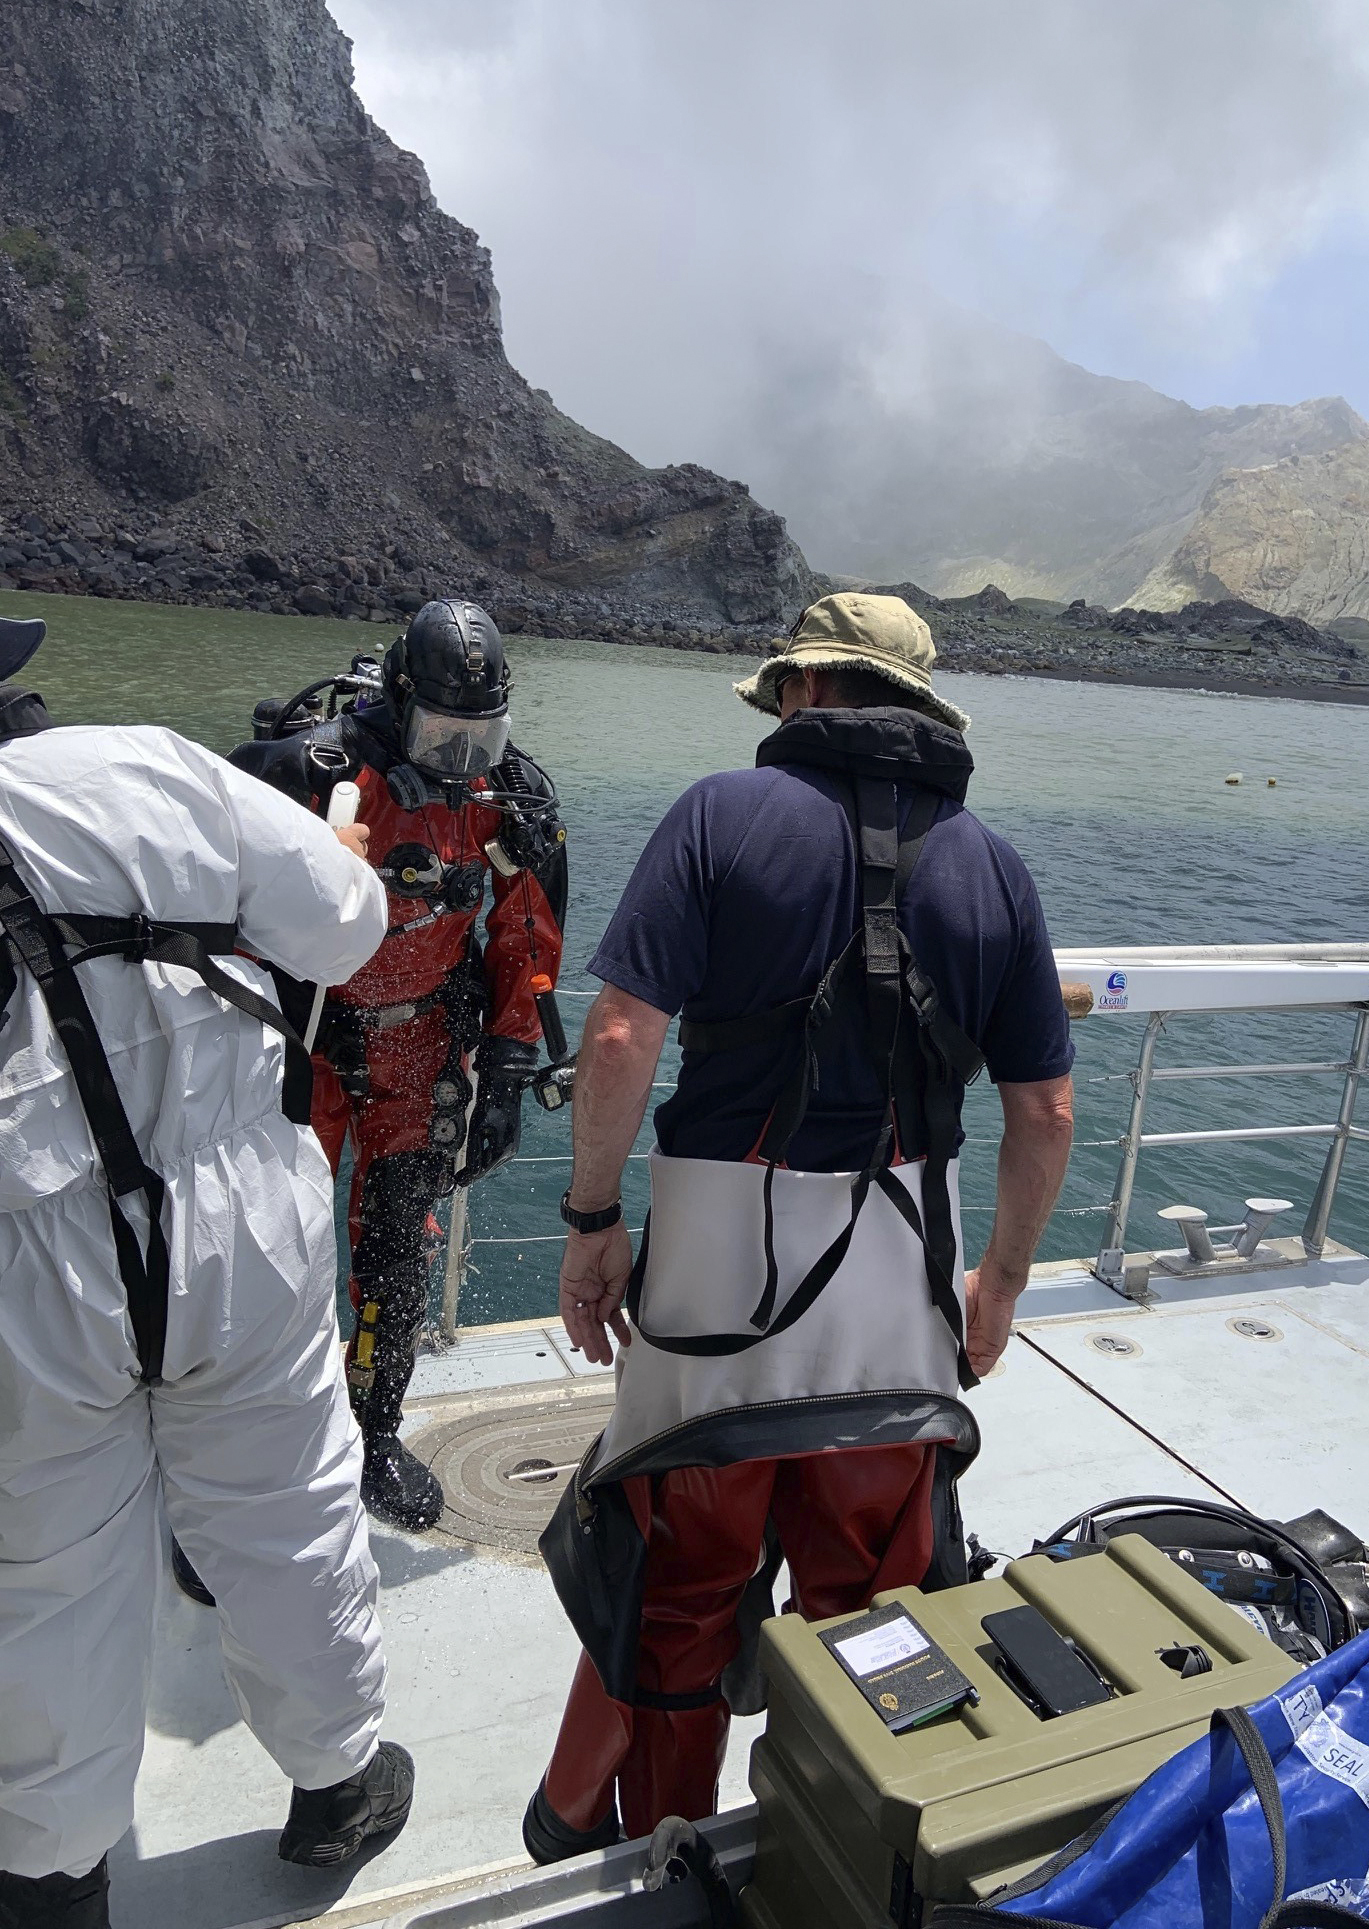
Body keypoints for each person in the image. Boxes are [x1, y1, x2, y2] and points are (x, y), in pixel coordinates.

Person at [525, 592, 1076, 1860]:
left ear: (810, 691)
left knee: (682, 1590)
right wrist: (999, 1283)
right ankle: (842, 1845)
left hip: (717, 1293)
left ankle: (668, 1845)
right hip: (898, 1300)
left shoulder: (721, 815)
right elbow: (1041, 1108)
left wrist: (593, 1218)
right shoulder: (991, 864)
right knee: (873, 1597)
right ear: (914, 709)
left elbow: (619, 1035)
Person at [0, 616, 413, 1929]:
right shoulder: (156, 769)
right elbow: (348, 934)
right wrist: (336, 852)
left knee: (45, 1571)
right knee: (286, 1506)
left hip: (23, 1254)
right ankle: (337, 1784)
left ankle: (54, 1877)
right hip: (239, 1211)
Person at [228, 599, 568, 1531]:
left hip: (418, 1053)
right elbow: (220, 911)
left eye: (480, 735)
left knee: (395, 1258)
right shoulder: (316, 774)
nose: (461, 758)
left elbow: (524, 933)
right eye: (441, 735)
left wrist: (505, 1071)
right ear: (398, 702)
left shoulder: (508, 798)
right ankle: (244, 1465)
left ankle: (374, 1431)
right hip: (302, 1052)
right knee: (262, 1258)